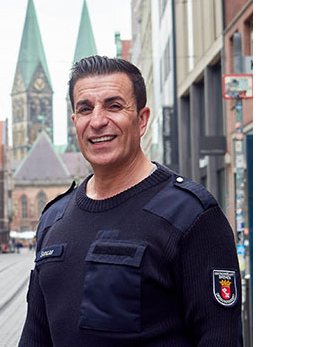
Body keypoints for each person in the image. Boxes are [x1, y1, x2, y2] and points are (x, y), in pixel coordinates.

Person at [19, 56, 242, 346]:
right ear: (75, 122)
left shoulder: (191, 215)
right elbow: (35, 337)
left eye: (114, 106)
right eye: (85, 109)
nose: (97, 121)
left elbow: (220, 338)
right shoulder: (54, 219)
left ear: (142, 119)